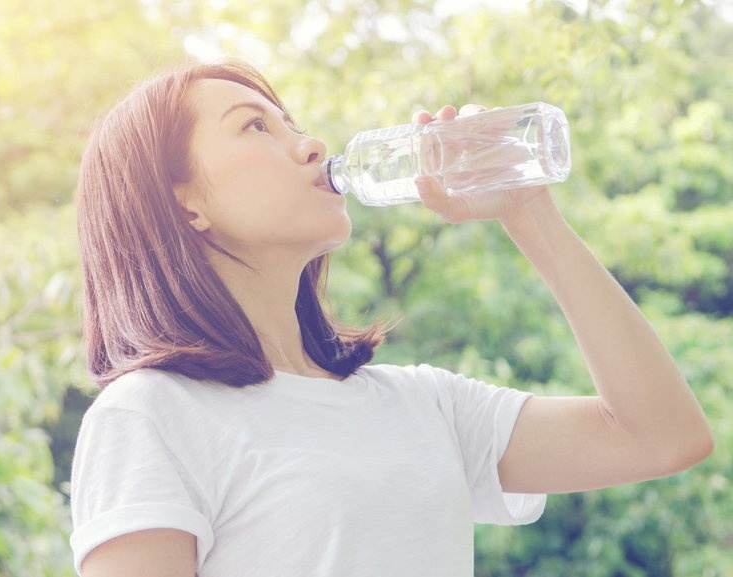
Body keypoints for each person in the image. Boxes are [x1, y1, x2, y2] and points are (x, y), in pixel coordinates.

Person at [68, 59, 713, 576]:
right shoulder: (152, 416)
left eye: (291, 124)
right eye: (255, 127)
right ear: (184, 205)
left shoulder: (421, 404)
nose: (311, 144)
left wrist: (528, 211)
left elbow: (661, 436)